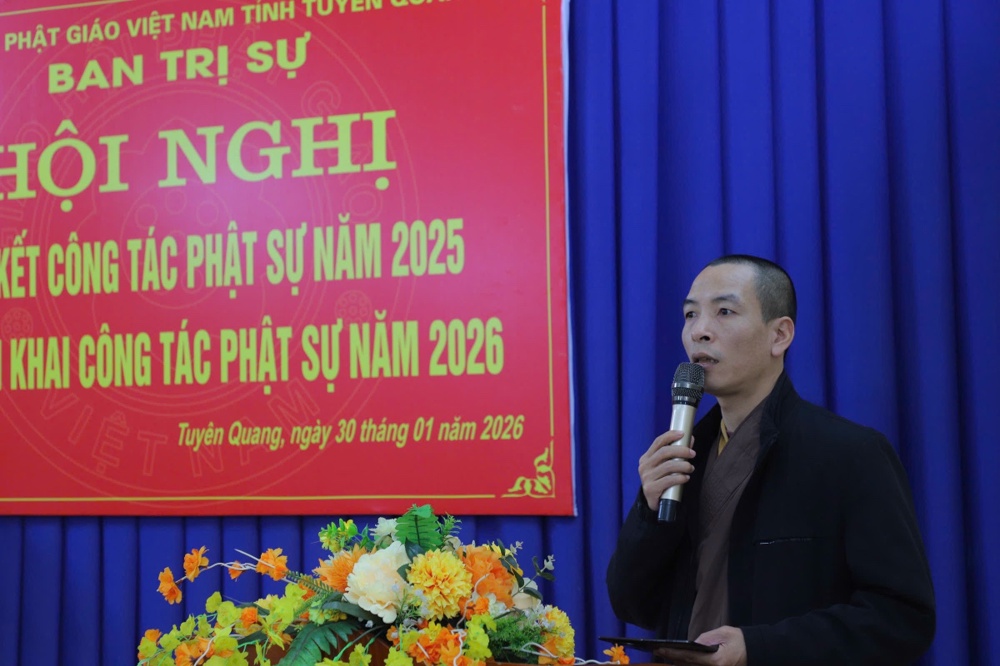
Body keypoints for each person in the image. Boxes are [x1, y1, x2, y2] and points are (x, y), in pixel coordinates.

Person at [606, 255, 935, 666]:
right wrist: (650, 512)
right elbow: (633, 606)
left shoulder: (850, 454)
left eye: (724, 312)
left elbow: (902, 618)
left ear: (779, 335)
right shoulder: (685, 457)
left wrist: (757, 647)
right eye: (690, 314)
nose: (699, 331)